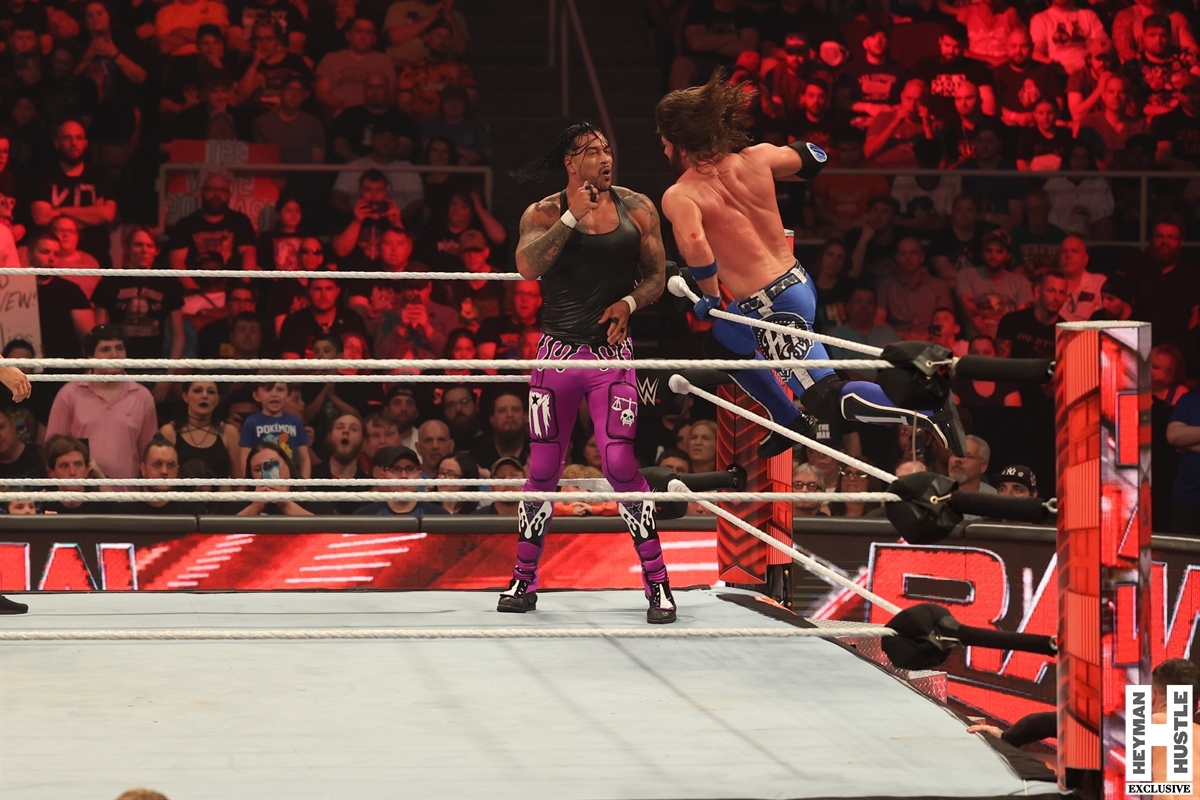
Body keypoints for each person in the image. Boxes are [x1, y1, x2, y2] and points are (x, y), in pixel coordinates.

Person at [656, 75, 969, 458]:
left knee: (824, 395)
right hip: (795, 281)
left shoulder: (681, 194)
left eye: (664, 141)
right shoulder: (756, 158)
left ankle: (925, 409)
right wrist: (779, 172)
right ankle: (788, 420)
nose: (662, 149)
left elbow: (695, 244)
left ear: (678, 142)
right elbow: (815, 156)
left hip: (770, 307)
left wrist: (708, 296)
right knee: (723, 344)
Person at [505, 121, 675, 623]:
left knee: (620, 463)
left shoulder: (637, 207)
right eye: (592, 151)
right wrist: (570, 218)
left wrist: (629, 302)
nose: (605, 157)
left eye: (606, 148)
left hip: (610, 357)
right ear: (570, 163)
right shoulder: (543, 212)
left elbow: (656, 276)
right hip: (556, 354)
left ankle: (659, 585)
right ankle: (522, 580)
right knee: (542, 471)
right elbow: (527, 267)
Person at [45, 325, 158, 481]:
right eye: (105, 349)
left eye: (119, 348)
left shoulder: (142, 396)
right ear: (90, 357)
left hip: (127, 492)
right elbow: (53, 450)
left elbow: (150, 454)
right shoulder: (69, 394)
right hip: (81, 492)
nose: (114, 355)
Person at [30, 120, 117, 269]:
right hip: (54, 261)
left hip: (96, 258)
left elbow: (107, 214)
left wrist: (61, 211)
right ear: (57, 143)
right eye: (67, 138)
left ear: (85, 143)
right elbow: (41, 217)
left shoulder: (99, 177)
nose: (74, 143)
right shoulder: (44, 177)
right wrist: (91, 214)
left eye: (79, 138)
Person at [955, 229, 1032, 339]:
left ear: (1008, 256)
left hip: (1008, 342)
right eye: (988, 250)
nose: (993, 256)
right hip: (976, 343)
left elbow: (1021, 321)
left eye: (999, 251)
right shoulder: (966, 275)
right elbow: (972, 313)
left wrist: (1003, 343)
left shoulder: (1021, 282)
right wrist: (991, 341)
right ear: (982, 253)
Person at [876, 237, 954, 339]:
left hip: (931, 340)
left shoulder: (939, 286)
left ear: (922, 257)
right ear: (897, 258)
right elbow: (878, 321)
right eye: (903, 253)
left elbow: (946, 322)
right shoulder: (885, 285)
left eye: (913, 253)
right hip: (895, 340)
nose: (908, 257)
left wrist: (923, 337)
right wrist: (903, 335)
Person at [160, 381, 239, 479]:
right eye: (197, 391)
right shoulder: (169, 432)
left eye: (211, 392)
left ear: (218, 399)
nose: (205, 396)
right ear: (185, 396)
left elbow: (239, 482)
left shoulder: (230, 433)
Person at [236, 377, 312, 479]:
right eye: (268, 390)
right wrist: (251, 483)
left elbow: (304, 459)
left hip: (290, 479)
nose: (274, 394)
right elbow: (245, 459)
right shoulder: (251, 422)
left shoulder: (295, 422)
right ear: (257, 396)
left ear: (287, 395)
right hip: (263, 479)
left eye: (280, 389)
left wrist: (303, 484)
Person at [236, 442, 333, 515]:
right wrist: (255, 507)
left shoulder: (312, 500)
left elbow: (326, 530)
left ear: (288, 466)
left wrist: (286, 505)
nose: (266, 473)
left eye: (273, 465)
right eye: (258, 469)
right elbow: (228, 530)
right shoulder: (239, 503)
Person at [354, 445, 448, 516]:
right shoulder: (364, 516)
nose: (403, 476)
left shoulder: (438, 516)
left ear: (419, 475)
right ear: (384, 475)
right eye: (395, 469)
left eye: (410, 469)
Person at [996, 270, 1066, 359]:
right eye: (1051, 291)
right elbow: (1001, 363)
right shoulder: (1011, 321)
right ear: (1038, 291)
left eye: (1062, 292)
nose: (1057, 297)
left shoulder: (1066, 333)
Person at [1167, 387, 1200, 534]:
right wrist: (1181, 440)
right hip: (1187, 500)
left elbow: (1180, 439)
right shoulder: (1190, 399)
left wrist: (1188, 443)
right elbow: (1174, 436)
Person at [469, 391, 530, 470]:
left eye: (516, 410)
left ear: (526, 416)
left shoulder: (540, 453)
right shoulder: (477, 457)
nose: (510, 415)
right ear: (492, 418)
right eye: (502, 411)